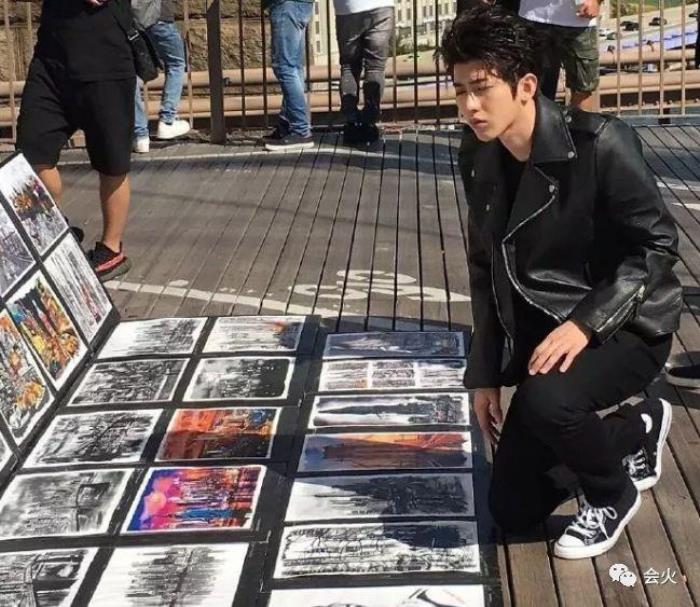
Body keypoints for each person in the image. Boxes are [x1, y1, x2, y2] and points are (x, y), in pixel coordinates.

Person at [439, 6, 681, 559]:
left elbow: (658, 246)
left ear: (526, 86)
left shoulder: (601, 143)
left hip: (626, 324)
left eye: (482, 88)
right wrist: (484, 374)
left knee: (547, 400)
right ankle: (636, 429)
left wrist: (586, 324)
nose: (470, 106)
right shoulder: (478, 154)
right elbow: (484, 266)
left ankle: (612, 494)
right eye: (460, 91)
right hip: (546, 337)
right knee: (512, 509)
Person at [16, 0, 134, 281]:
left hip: (106, 59)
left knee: (112, 161)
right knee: (31, 152)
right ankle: (58, 226)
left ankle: (111, 249)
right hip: (51, 60)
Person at [518, 0, 601, 110]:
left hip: (578, 20)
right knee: (531, 85)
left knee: (583, 87)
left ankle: (579, 121)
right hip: (533, 16)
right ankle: (541, 121)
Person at [133, 0, 191, 153]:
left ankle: (140, 135)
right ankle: (167, 120)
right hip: (157, 17)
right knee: (176, 63)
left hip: (130, 20)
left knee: (131, 74)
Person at [333, 0, 394, 145]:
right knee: (375, 68)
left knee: (349, 67)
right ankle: (369, 123)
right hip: (381, 6)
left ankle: (351, 123)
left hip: (348, 8)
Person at [262, 0, 315, 151]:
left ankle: (300, 130)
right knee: (293, 67)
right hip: (297, 5)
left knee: (285, 67)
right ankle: (288, 124)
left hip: (287, 5)